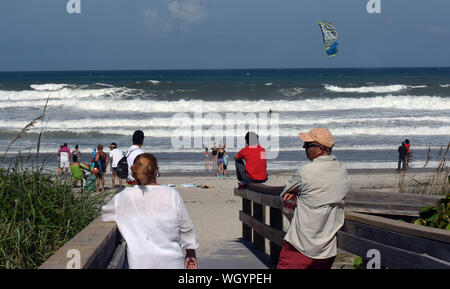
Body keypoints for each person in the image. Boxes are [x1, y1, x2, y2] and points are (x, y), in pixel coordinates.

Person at [101, 153, 199, 269]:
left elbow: (105, 215)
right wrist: (190, 252)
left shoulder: (122, 197)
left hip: (139, 263)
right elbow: (186, 227)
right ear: (156, 172)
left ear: (134, 173)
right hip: (172, 262)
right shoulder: (172, 195)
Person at [277, 128, 352, 269]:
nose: (304, 148)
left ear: (321, 149)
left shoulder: (305, 171)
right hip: (327, 247)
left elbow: (284, 195)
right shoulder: (342, 171)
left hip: (300, 244)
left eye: (308, 145)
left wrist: (296, 196)